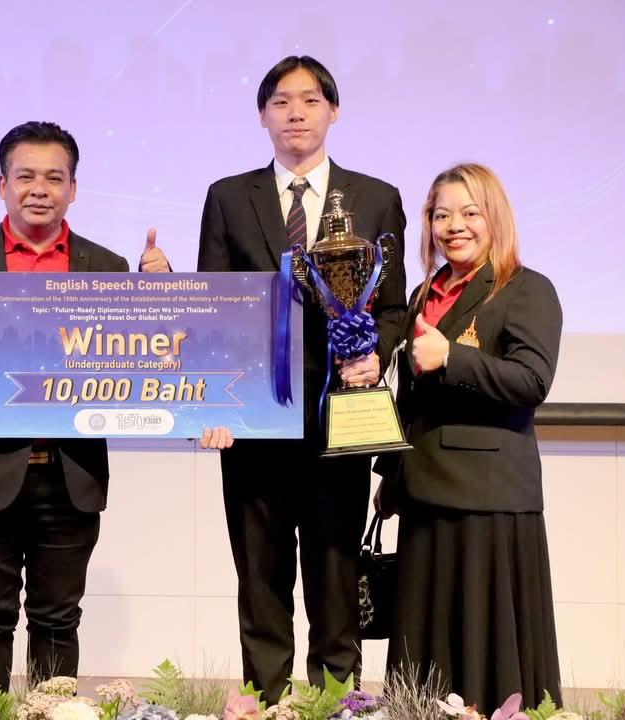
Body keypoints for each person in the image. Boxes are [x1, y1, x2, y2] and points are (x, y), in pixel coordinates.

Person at [171, 55, 408, 697]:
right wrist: (208, 404)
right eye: (280, 101)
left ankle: (338, 703)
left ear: (333, 110)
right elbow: (213, 309)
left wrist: (376, 353)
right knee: (260, 577)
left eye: (309, 100)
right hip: (255, 422)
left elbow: (392, 309)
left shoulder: (375, 197)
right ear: (262, 116)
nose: (295, 113)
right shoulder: (228, 197)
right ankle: (266, 702)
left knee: (335, 578)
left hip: (340, 418)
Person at [0, 121, 130, 691]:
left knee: (58, 620)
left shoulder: (107, 267)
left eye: (54, 178)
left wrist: (160, 289)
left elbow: (136, 357)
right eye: (26, 176)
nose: (40, 189)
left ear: (73, 189)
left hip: (71, 474)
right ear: (2, 184)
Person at [376, 163, 562, 713]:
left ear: (494, 218)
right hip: (423, 498)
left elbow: (532, 381)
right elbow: (412, 400)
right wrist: (391, 477)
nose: (453, 226)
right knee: (423, 659)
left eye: (469, 213)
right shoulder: (423, 293)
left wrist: (452, 357)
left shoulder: (527, 289)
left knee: (487, 655)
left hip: (488, 500)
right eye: (441, 215)